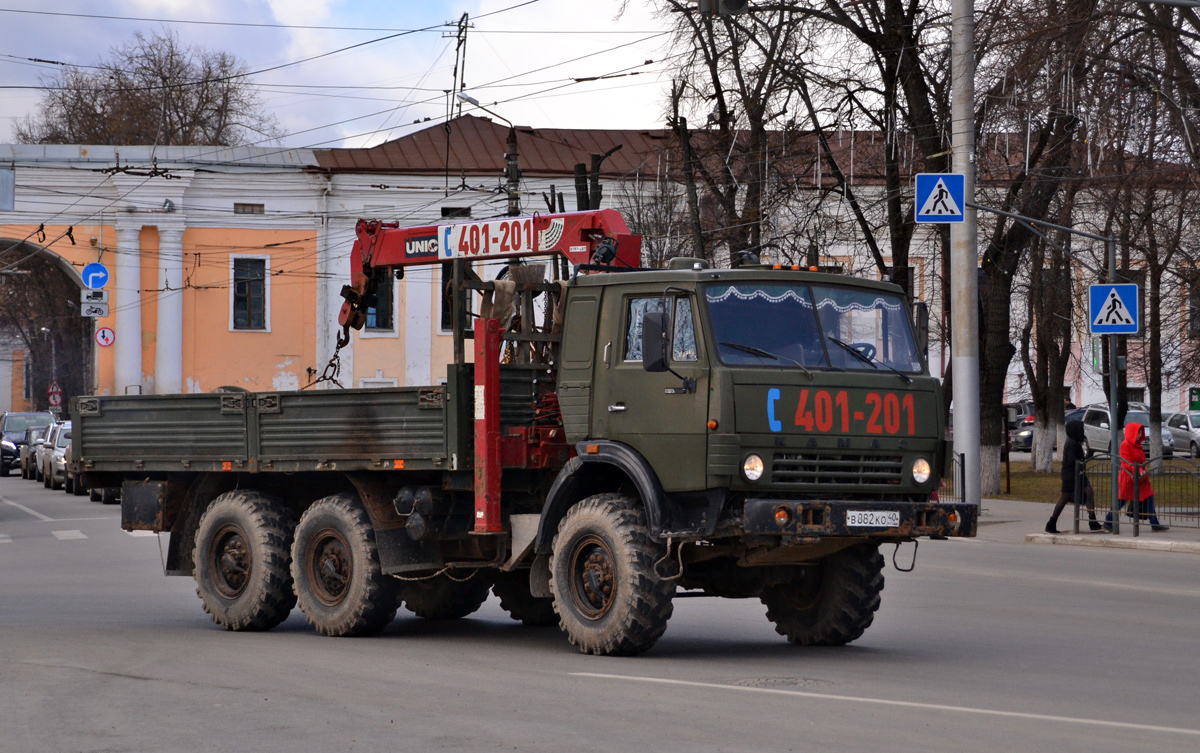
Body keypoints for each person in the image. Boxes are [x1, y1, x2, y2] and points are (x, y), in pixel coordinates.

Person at [1106, 422, 1170, 532]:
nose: (1140, 435)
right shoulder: (1125, 444)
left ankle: (1154, 523)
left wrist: (1141, 470)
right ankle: (1108, 522)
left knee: (1149, 497)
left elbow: (1140, 459)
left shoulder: (1137, 444)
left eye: (1141, 433)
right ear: (1131, 432)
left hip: (1140, 477)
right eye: (1138, 433)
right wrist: (1138, 470)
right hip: (1129, 478)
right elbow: (1126, 462)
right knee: (1120, 500)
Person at [1046, 420, 1102, 533]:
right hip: (1071, 476)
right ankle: (1051, 523)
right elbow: (1072, 461)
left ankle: (1093, 521)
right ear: (1075, 430)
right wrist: (1081, 461)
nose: (1082, 432)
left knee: (1089, 492)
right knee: (1065, 497)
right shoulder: (1071, 443)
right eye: (1080, 429)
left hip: (1078, 474)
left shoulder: (1075, 441)